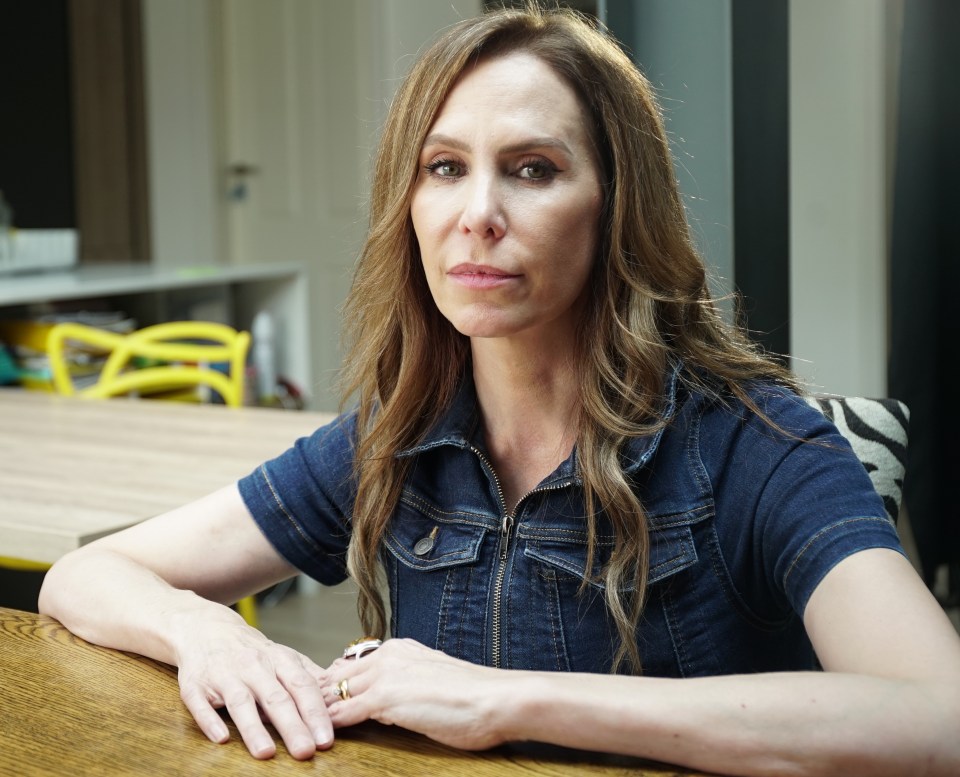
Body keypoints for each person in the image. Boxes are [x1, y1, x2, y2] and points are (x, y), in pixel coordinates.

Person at [39, 5, 960, 776]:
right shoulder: (395, 437)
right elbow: (85, 575)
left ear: (615, 205)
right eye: (444, 168)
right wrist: (210, 633)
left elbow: (938, 715)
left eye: (533, 169)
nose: (478, 212)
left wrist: (507, 699)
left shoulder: (758, 443)